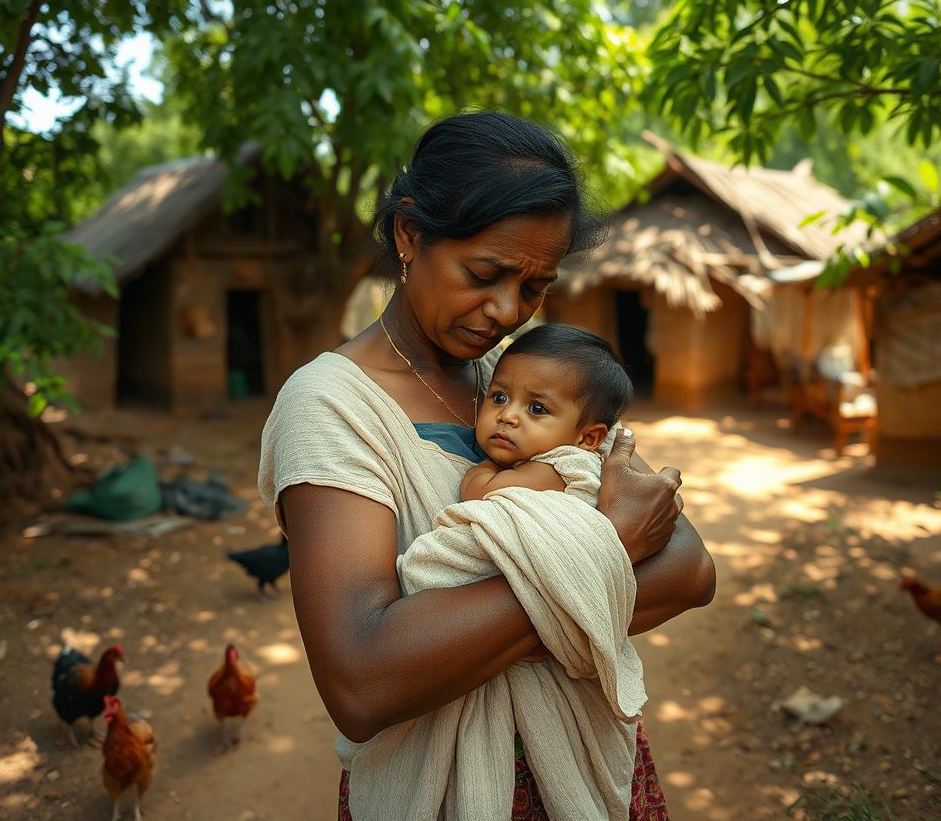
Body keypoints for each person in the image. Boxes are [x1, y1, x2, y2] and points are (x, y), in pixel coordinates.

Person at [258, 111, 716, 820]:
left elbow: (689, 567)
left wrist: (455, 634)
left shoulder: (520, 374)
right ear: (409, 234)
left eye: (535, 289)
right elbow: (362, 680)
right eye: (484, 274)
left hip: (581, 765)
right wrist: (608, 551)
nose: (507, 311)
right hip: (439, 792)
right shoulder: (330, 407)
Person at [460, 322, 633, 502]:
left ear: (587, 438)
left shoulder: (558, 469)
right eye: (499, 398)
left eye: (537, 409)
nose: (507, 416)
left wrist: (487, 466)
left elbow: (477, 491)